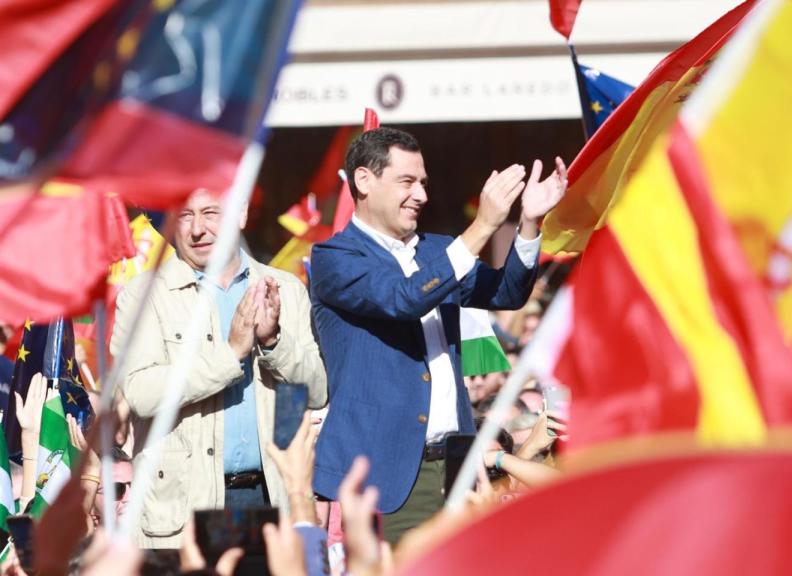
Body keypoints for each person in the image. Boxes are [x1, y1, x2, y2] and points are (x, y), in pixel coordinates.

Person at [310, 127, 566, 545]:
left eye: (424, 183)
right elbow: (403, 300)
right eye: (407, 182)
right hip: (385, 479)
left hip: (457, 467)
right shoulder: (334, 259)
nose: (421, 195)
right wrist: (481, 227)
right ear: (363, 181)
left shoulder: (437, 250)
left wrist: (529, 223)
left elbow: (507, 293)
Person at [111, 188, 328, 549]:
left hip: (271, 498)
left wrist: (274, 340)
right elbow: (141, 393)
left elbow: (316, 390)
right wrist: (230, 354)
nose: (198, 229)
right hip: (185, 509)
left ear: (240, 214)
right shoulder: (142, 297)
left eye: (211, 213)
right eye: (185, 215)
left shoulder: (286, 290)